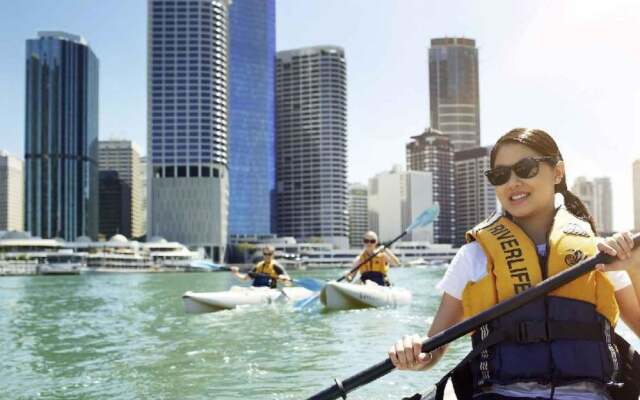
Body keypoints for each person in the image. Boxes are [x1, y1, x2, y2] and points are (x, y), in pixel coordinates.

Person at [388, 128, 640, 400]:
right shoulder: (473, 255)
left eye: (525, 168)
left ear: (557, 172)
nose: (512, 182)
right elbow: (432, 351)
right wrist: (414, 352)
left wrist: (634, 267)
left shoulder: (600, 252)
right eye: (500, 175)